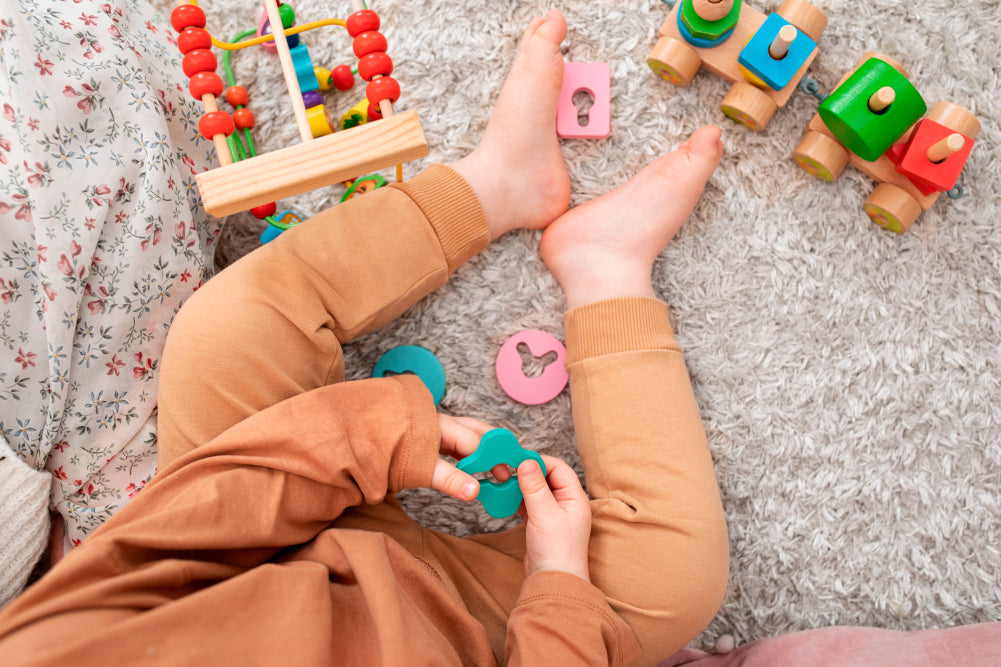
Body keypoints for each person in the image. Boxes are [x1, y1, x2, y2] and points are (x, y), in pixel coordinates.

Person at [0, 9, 730, 666]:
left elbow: (180, 533)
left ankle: (497, 183)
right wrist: (558, 592)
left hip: (253, 543)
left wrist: (367, 437)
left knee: (226, 335)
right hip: (472, 632)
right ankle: (605, 266)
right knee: (673, 575)